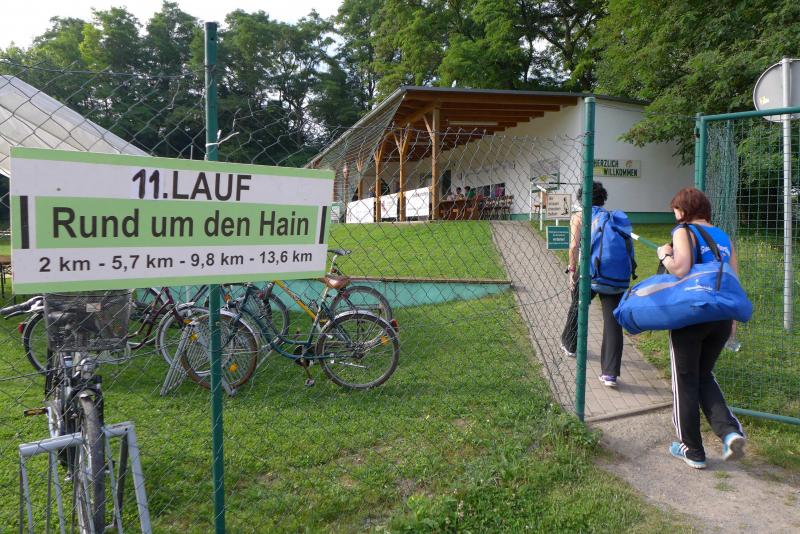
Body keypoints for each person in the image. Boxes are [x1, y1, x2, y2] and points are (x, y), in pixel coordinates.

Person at [657, 187, 745, 469]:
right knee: (703, 375)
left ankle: (692, 450)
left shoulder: (684, 231)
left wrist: (664, 255)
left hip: (692, 315)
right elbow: (733, 280)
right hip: (721, 317)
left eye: (675, 210)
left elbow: (681, 268)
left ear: (683, 211)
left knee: (684, 381)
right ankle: (729, 432)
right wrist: (732, 321)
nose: (675, 215)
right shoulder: (723, 236)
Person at [560, 182, 626, 388]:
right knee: (613, 321)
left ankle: (570, 345)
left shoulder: (580, 216)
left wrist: (572, 270)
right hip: (613, 274)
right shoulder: (612, 217)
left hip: (589, 270)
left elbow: (573, 245)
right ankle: (610, 374)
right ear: (602, 198)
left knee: (577, 306)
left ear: (582, 198)